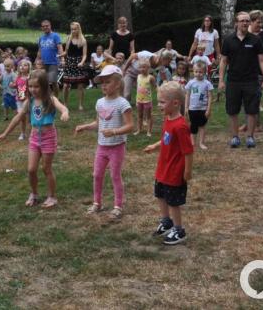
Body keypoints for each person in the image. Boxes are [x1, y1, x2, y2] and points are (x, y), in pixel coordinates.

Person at [0, 70, 70, 208]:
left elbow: (63, 108)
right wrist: (5, 133)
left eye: (36, 86)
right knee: (31, 169)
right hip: (34, 137)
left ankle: (52, 197)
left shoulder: (51, 100)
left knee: (46, 169)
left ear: (44, 86)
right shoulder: (30, 101)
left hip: (48, 138)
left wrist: (65, 113)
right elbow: (18, 118)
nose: (33, 90)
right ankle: (34, 194)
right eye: (30, 86)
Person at [75, 65, 134, 220]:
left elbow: (130, 126)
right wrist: (85, 127)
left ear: (118, 84)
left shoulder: (123, 104)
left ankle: (118, 206)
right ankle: (97, 203)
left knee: (115, 175)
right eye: (102, 82)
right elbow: (98, 124)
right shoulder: (100, 102)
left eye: (107, 82)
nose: (104, 85)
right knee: (97, 175)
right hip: (102, 147)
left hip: (117, 147)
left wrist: (114, 131)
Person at [143, 82, 193, 245]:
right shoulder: (168, 119)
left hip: (174, 170)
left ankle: (179, 230)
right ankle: (166, 222)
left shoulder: (181, 126)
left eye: (162, 102)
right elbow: (166, 139)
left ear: (176, 103)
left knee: (173, 202)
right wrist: (155, 146)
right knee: (160, 195)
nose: (159, 105)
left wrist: (187, 171)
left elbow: (188, 151)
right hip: (163, 168)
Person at [218, 11, 263, 149]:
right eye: (242, 20)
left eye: (247, 20)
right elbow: (223, 61)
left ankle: (250, 137)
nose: (245, 23)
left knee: (252, 110)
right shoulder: (228, 40)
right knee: (232, 110)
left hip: (251, 80)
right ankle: (235, 137)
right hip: (233, 81)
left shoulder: (255, 40)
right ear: (236, 23)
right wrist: (221, 80)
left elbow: (262, 59)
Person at [60, 21, 89, 110]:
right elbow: (66, 52)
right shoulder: (69, 38)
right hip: (69, 63)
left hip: (79, 63)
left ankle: (80, 104)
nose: (73, 31)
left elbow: (84, 55)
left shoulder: (83, 40)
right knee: (65, 85)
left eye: (75, 29)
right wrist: (62, 57)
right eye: (72, 29)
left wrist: (82, 62)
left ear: (78, 29)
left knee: (80, 86)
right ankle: (65, 104)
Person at [185, 62, 213, 150]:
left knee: (202, 126)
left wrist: (208, 109)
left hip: (203, 109)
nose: (198, 74)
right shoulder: (190, 83)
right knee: (193, 126)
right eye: (196, 71)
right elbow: (187, 95)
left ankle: (201, 143)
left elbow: (210, 96)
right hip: (192, 109)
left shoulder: (207, 83)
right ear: (193, 71)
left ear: (205, 72)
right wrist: (186, 107)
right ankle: (193, 143)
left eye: (200, 72)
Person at [36, 19, 64, 97]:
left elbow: (60, 48)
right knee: (44, 82)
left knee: (53, 81)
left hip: (53, 62)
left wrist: (62, 59)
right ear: (41, 28)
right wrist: (37, 59)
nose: (45, 27)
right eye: (43, 26)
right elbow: (39, 50)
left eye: (47, 26)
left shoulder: (55, 36)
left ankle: (56, 98)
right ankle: (48, 98)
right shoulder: (41, 38)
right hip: (43, 63)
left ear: (50, 26)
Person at [134, 58, 157, 136]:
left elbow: (155, 87)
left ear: (148, 67)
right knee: (139, 115)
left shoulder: (151, 77)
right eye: (140, 67)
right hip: (139, 99)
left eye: (144, 67)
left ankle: (149, 131)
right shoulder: (138, 76)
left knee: (149, 116)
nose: (142, 69)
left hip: (147, 100)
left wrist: (160, 94)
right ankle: (139, 130)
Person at [11, 59, 32, 140]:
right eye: (20, 65)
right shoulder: (18, 77)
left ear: (29, 67)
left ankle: (31, 134)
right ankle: (23, 133)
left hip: (29, 100)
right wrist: (12, 85)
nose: (22, 67)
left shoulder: (30, 77)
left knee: (30, 118)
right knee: (22, 118)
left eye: (25, 65)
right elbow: (15, 86)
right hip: (19, 100)